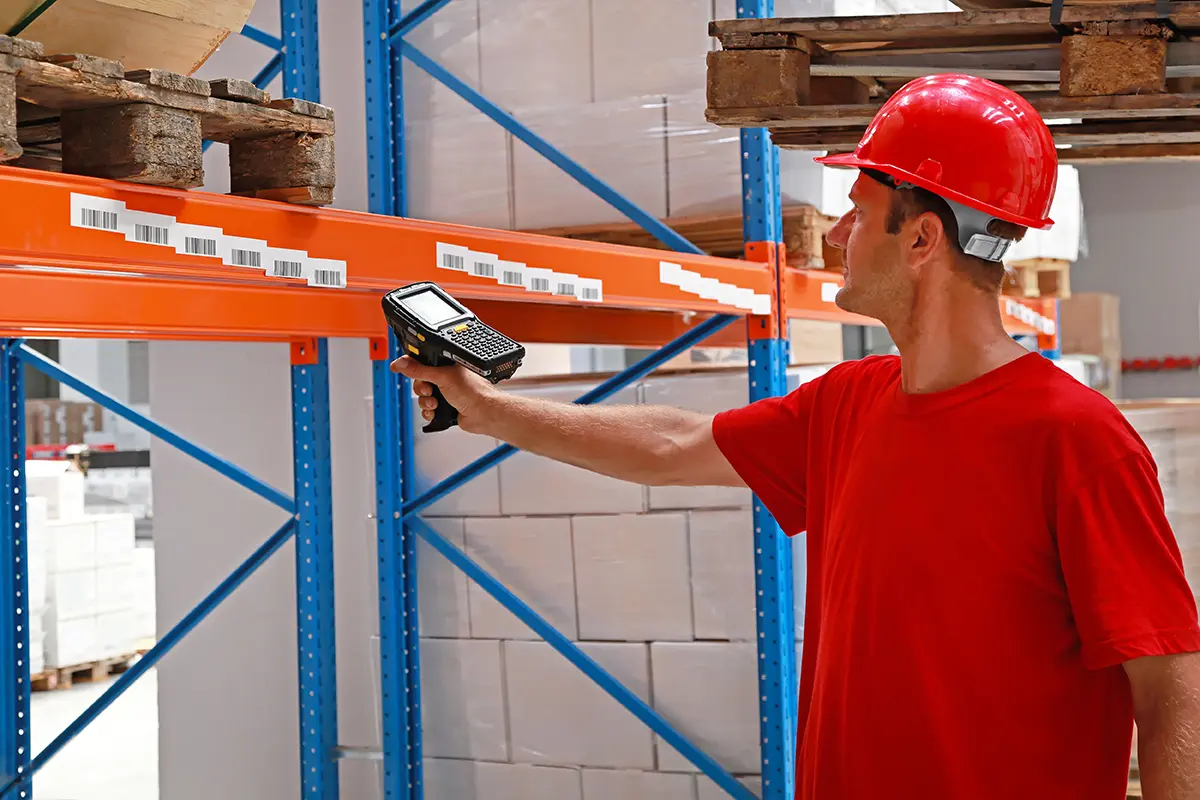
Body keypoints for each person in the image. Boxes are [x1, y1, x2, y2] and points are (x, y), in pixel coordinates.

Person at [393, 74, 1200, 799]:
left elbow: (1171, 688)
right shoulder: (848, 403)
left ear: (922, 240)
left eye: (860, 211)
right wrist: (487, 410)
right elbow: (673, 445)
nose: (839, 235)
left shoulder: (1076, 440)